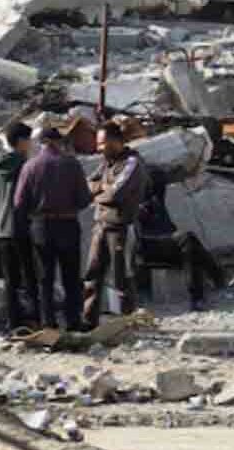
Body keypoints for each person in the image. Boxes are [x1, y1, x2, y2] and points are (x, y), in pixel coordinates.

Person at [13, 127, 92, 330]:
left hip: (41, 227)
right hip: (68, 224)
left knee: (45, 279)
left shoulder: (30, 166)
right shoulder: (72, 164)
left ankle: (49, 324)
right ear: (57, 142)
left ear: (41, 143)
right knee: (71, 277)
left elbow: (19, 202)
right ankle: (73, 321)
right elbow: (84, 199)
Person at [84, 121, 150, 327]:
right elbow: (87, 184)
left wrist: (99, 193)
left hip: (121, 228)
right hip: (101, 225)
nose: (99, 148)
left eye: (103, 143)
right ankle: (89, 321)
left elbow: (116, 194)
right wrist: (102, 187)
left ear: (116, 141)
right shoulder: (107, 163)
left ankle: (126, 323)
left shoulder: (132, 163)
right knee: (92, 275)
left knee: (122, 279)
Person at [135, 167, 227, 311]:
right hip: (151, 248)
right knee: (188, 239)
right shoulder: (136, 206)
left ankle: (200, 296)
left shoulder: (157, 202)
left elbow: (161, 181)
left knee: (192, 250)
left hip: (168, 246)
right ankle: (217, 278)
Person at [0, 123, 36, 332]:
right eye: (29, 140)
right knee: (30, 275)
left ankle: (13, 321)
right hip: (21, 227)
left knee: (10, 279)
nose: (32, 144)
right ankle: (34, 320)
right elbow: (27, 197)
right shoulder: (23, 166)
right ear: (21, 142)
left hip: (2, 228)